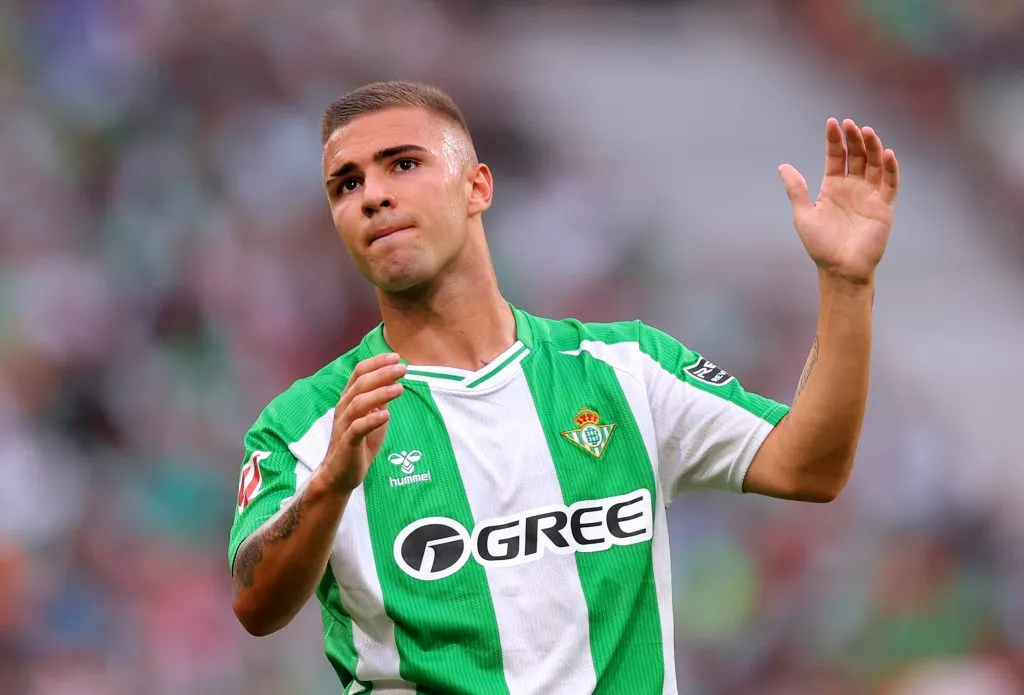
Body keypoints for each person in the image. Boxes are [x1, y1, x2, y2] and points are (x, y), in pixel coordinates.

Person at [227, 81, 900, 694]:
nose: (372, 194)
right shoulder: (309, 423)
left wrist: (846, 283)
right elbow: (255, 605)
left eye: (403, 164)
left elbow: (809, 464)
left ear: (477, 187)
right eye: (345, 184)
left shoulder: (625, 369)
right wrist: (329, 488)